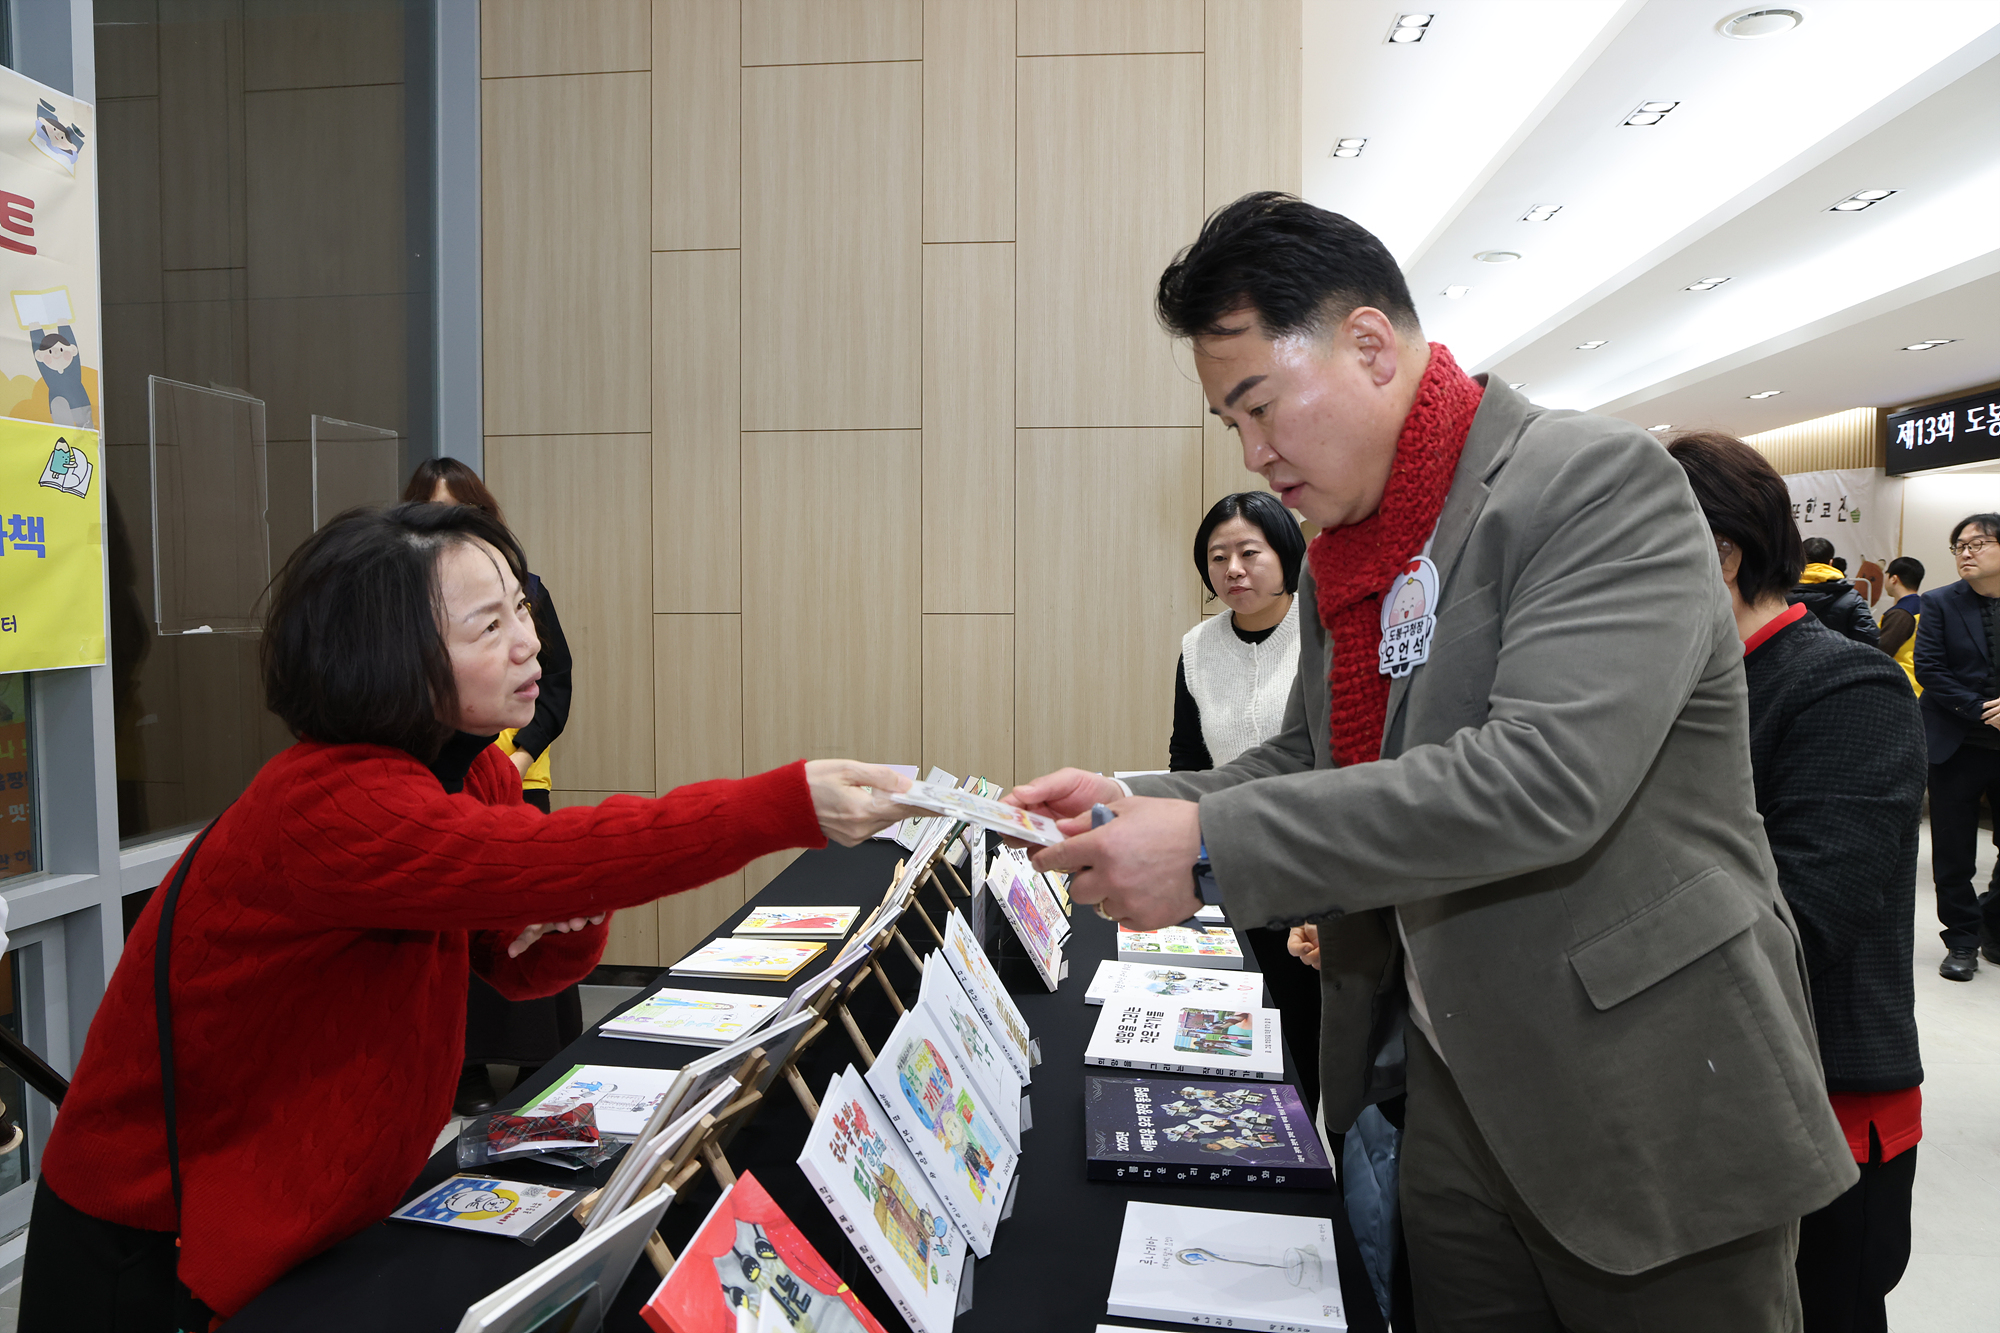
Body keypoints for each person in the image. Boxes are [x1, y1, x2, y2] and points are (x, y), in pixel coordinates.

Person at [1009, 192, 1850, 1328]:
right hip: (1448, 1098)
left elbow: (1540, 779)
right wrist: (1137, 801)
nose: (1255, 453)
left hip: (1645, 1093)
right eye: (1230, 426)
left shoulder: (1590, 487)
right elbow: (1308, 760)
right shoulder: (1347, 559)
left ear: (1365, 343)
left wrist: (1205, 846)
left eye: (1260, 406)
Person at [18, 503, 909, 1327]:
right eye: (492, 626)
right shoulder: (329, 804)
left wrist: (567, 894)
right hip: (151, 1241)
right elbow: (546, 867)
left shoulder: (471, 765)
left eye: (523, 610)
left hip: (322, 1214)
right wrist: (780, 805)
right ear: (393, 657)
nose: (531, 645)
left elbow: (521, 966)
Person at [1669, 432, 1924, 1333]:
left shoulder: (1842, 687)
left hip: (1826, 1103)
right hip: (1701, 1089)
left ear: (1721, 553)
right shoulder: (1688, 687)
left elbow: (1806, 919)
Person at [403, 458, 579, 1115]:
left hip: (517, 776)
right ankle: (467, 1066)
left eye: (463, 515)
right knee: (464, 919)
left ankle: (539, 1061)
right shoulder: (406, 599)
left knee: (528, 905)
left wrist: (522, 751)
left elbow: (557, 685)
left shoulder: (525, 586)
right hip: (444, 784)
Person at [1169, 491, 1320, 1112]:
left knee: (1307, 1037)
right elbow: (1186, 759)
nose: (1233, 568)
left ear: (1285, 553)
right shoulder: (1197, 648)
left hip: (1313, 867)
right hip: (1230, 864)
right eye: (1218, 555)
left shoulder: (1324, 631)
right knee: (1241, 1027)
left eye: (1249, 552)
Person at [1912, 514, 2000, 981]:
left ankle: (1993, 923)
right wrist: (1984, 709)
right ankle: (1962, 940)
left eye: (1978, 543)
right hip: (1958, 743)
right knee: (1953, 852)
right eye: (1959, 546)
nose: (1966, 552)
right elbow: (1929, 668)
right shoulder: (1940, 602)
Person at [1793, 537, 1879, 646]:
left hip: (1789, 662)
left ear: (1800, 560)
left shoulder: (1779, 596)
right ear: (1831, 562)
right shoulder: (1851, 598)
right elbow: (1869, 638)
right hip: (1839, 661)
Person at [1878, 557, 1924, 694]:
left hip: (1900, 686)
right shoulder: (1925, 607)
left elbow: (1881, 652)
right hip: (1919, 685)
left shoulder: (1901, 614)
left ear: (1894, 579)